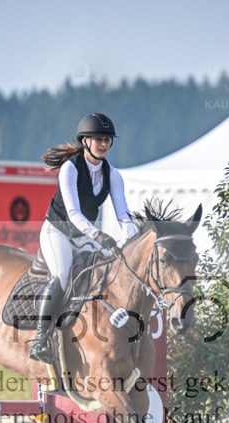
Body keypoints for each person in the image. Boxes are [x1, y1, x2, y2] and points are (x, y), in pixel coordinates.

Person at [30, 113, 137, 363]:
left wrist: (134, 241)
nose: (104, 144)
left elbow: (123, 215)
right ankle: (39, 340)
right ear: (85, 141)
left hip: (84, 235)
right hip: (57, 231)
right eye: (98, 139)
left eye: (108, 140)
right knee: (63, 274)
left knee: (109, 267)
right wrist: (98, 234)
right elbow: (73, 212)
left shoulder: (114, 175)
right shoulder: (70, 168)